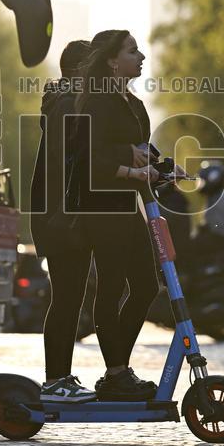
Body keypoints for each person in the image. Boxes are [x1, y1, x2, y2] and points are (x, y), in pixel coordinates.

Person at [58, 29, 165, 401]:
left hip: (127, 205)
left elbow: (143, 151)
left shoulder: (133, 104)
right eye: (133, 51)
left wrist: (164, 169)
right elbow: (88, 157)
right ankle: (117, 373)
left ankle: (116, 369)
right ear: (112, 60)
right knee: (112, 286)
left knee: (148, 286)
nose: (141, 57)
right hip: (100, 207)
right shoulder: (96, 102)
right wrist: (131, 169)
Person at [34, 39, 130, 403]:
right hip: (61, 218)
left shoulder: (72, 102)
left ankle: (61, 378)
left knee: (71, 297)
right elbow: (77, 156)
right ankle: (56, 380)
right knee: (67, 299)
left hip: (70, 216)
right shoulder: (64, 105)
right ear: (80, 70)